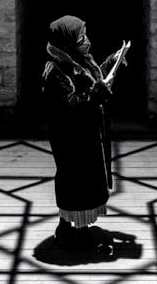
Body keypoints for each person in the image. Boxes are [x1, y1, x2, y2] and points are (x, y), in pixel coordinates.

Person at [41, 14, 127, 257]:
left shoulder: (78, 59)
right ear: (68, 41)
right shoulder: (55, 70)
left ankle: (69, 228)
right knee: (76, 184)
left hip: (85, 136)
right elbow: (68, 106)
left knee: (84, 184)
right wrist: (94, 95)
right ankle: (77, 238)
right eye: (81, 37)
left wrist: (112, 62)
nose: (86, 41)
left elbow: (93, 80)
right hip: (72, 140)